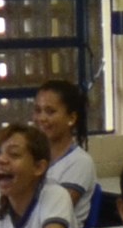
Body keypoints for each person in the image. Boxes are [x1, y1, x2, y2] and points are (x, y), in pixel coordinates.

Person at [31, 77, 96, 212]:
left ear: (71, 118)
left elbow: (55, 210)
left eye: (50, 111)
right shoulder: (32, 157)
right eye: (38, 110)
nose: (41, 118)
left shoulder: (79, 162)